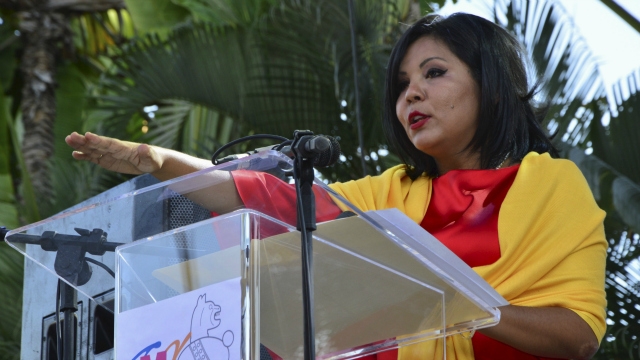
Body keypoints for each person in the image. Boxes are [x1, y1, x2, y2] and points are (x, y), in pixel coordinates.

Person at [65, 12, 606, 360]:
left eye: (433, 73)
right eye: (401, 86)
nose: (410, 95)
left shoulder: (549, 183)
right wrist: (158, 160)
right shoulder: (393, 192)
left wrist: (455, 303)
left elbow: (576, 336)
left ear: (491, 84)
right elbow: (271, 200)